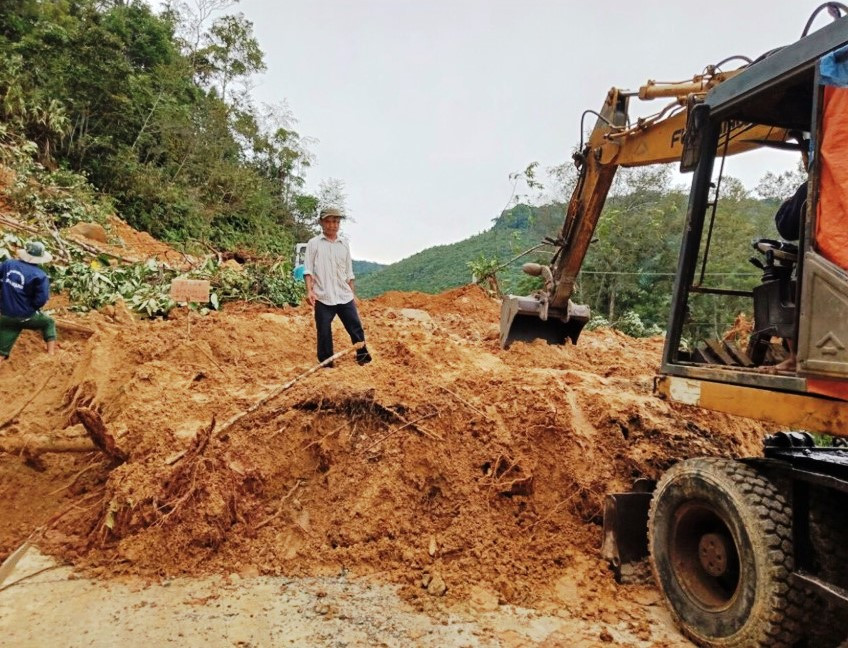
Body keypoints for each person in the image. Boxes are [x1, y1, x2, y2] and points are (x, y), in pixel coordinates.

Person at [304, 207, 372, 367]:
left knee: (355, 327)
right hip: (323, 295)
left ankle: (363, 357)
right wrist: (309, 291)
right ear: (322, 223)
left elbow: (349, 272)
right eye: (328, 221)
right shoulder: (314, 244)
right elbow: (308, 270)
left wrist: (352, 294)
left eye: (336, 221)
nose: (332, 225)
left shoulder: (344, 244)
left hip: (344, 295)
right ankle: (326, 363)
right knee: (324, 330)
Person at [0, 241, 57, 365]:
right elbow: (41, 299)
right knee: (49, 322)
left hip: (5, 315)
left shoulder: (8, 264)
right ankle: (51, 356)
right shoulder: (40, 275)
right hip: (25, 316)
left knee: (2, 350)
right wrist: (32, 307)